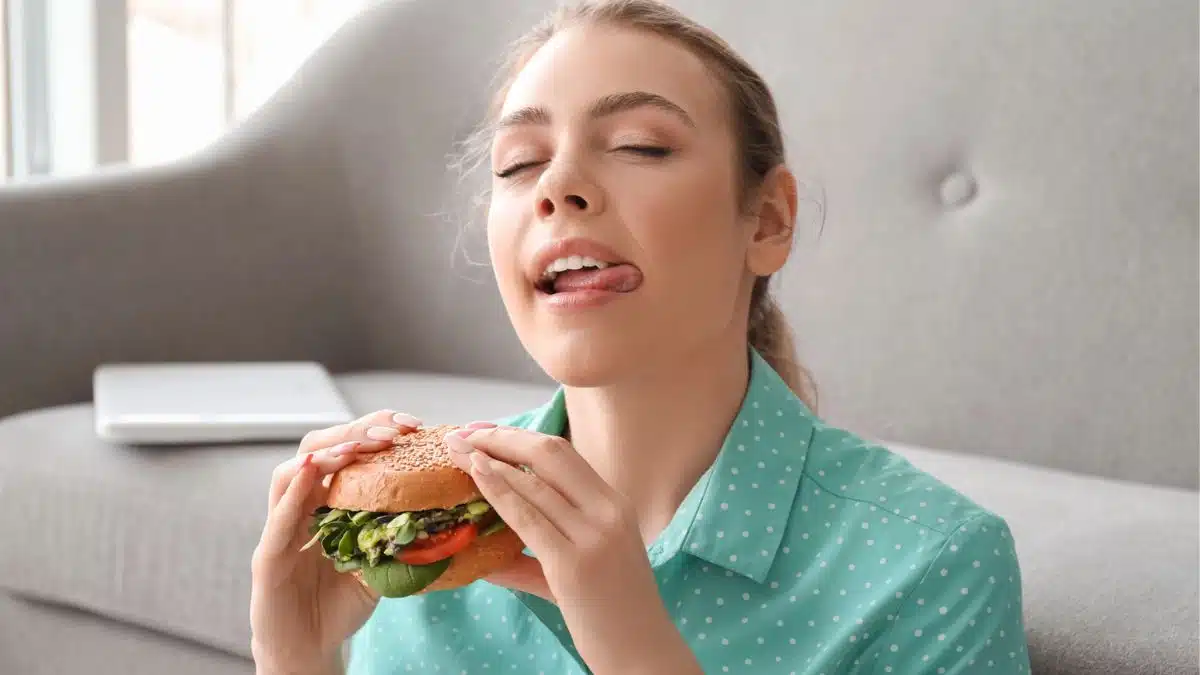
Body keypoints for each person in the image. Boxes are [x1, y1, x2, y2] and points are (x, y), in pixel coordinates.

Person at [249, 1, 1031, 673]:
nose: (556, 186)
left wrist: (637, 649)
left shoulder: (933, 564)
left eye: (639, 146)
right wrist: (296, 664)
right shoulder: (424, 537)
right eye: (519, 163)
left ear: (767, 220)